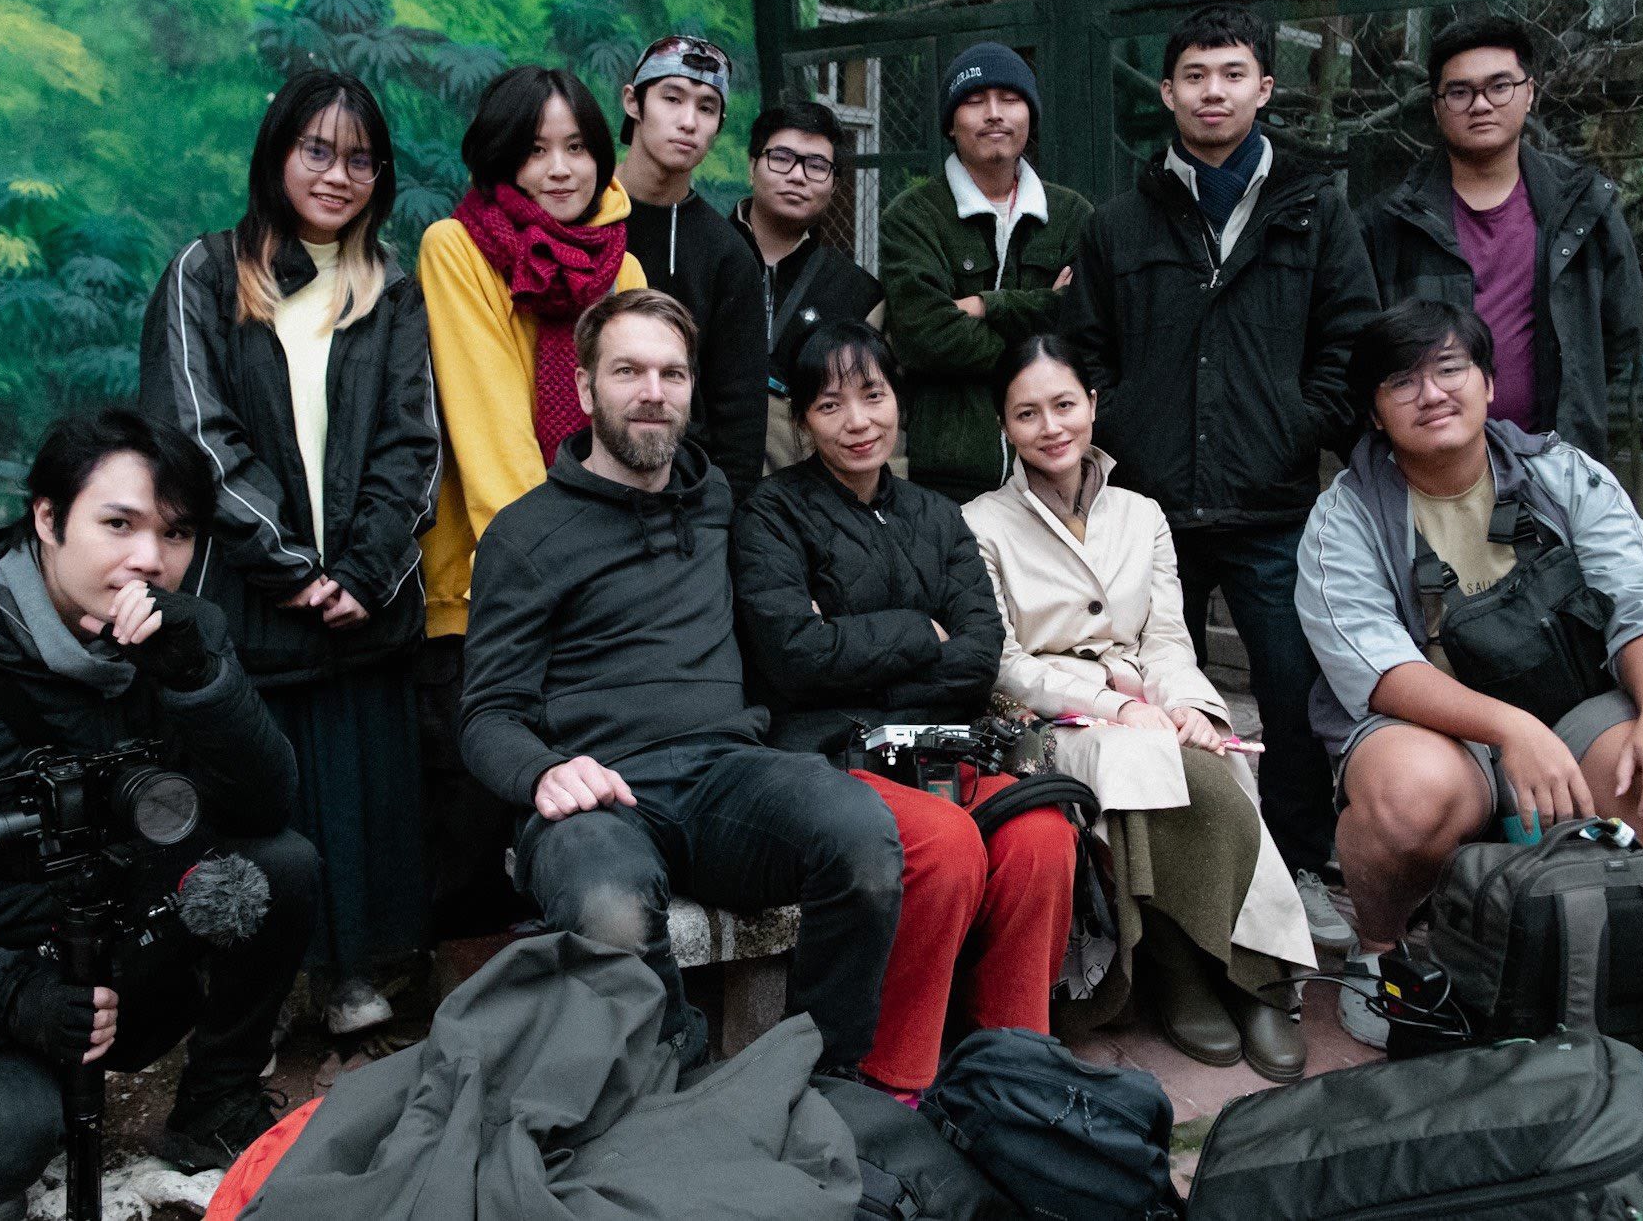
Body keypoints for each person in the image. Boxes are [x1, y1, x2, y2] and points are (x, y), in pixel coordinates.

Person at [0, 410, 319, 1219]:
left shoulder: (173, 641)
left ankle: (215, 1105)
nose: (150, 560)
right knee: (0, 1136)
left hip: (115, 945)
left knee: (281, 867)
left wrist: (201, 681)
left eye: (176, 533)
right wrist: (16, 999)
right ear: (47, 518)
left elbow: (264, 807)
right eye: (118, 524)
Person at [1295, 300, 1643, 1071]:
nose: (1431, 393)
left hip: (1577, 712)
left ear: (1489, 383)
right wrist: (1510, 729)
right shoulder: (1347, 514)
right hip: (1440, 732)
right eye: (1401, 382)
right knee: (1407, 795)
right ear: (1376, 413)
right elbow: (1374, 664)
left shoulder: (1562, 474)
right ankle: (1382, 960)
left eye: (1449, 369)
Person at [459, 288, 905, 1072]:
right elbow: (487, 714)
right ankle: (674, 1096)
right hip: (599, 796)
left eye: (672, 373)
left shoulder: (716, 502)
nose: (653, 392)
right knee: (610, 906)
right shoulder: (524, 536)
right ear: (585, 387)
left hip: (724, 776)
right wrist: (544, 773)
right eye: (627, 371)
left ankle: (820, 1076)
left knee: (860, 835)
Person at [1066, 3, 1380, 951]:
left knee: (1293, 691)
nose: (1214, 92)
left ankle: (1296, 862)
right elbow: (1087, 351)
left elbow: (1351, 340)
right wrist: (1124, 428)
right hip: (1150, 507)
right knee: (1155, 695)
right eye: (1195, 75)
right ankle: (1174, 885)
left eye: (1233, 73)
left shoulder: (1315, 211)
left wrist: (1299, 426)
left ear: (1264, 88)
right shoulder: (1119, 224)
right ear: (1167, 92)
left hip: (1272, 504)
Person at [139, 70, 437, 1038]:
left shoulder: (391, 291)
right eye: (317, 150)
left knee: (355, 797)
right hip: (249, 600)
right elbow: (194, 435)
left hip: (359, 605)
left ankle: (349, 973)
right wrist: (291, 566)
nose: (337, 174)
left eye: (361, 159)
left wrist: (361, 572)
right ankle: (253, 1002)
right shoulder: (205, 272)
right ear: (276, 153)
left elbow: (413, 446)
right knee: (257, 802)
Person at [731, 321, 1075, 1097]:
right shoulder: (771, 517)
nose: (857, 422)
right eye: (830, 405)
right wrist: (920, 631)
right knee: (943, 844)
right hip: (829, 754)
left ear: (899, 401)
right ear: (802, 421)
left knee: (1042, 835)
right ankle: (893, 1081)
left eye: (873, 396)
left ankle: (1016, 1070)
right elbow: (793, 657)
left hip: (945, 744)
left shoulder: (938, 516)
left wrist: (850, 644)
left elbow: (979, 654)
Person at [963, 336, 1315, 1082]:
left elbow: (1166, 637)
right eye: (1027, 413)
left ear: (1093, 405)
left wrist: (1187, 705)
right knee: (1136, 761)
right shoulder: (980, 521)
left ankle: (1248, 975)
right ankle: (1187, 968)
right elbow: (1004, 662)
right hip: (1043, 719)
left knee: (1214, 757)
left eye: (1065, 404)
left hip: (1146, 696)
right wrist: (1110, 707)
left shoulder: (1141, 513)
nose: (1051, 427)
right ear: (1004, 425)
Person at [414, 65, 644, 941]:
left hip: (600, 599)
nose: (559, 169)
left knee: (583, 830)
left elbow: (632, 431)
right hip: (486, 590)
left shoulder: (624, 265)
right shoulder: (456, 248)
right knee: (477, 847)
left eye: (577, 147)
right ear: (500, 157)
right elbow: (490, 442)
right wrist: (571, 575)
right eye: (535, 149)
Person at [1359, 16, 1643, 459]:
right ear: (1436, 107)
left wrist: (1570, 392)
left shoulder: (1584, 208)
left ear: (1529, 93)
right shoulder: (1390, 222)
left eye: (1499, 86)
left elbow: (1619, 336)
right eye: (1459, 92)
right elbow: (1363, 356)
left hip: (1554, 464)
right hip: (1427, 468)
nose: (1480, 105)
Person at [881, 42, 1091, 503]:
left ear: (1030, 116)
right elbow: (924, 334)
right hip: (946, 475)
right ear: (950, 124)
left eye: (1010, 99)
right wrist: (1042, 320)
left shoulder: (1072, 214)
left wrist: (984, 305)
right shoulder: (913, 216)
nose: (994, 114)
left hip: (1054, 469)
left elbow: (1082, 325)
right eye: (975, 101)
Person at [618, 35, 765, 501]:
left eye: (706, 107)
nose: (688, 122)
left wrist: (722, 518)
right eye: (672, 98)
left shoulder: (728, 254)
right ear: (633, 102)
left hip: (680, 494)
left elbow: (740, 416)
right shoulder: (578, 216)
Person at [729, 100, 887, 473]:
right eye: (781, 158)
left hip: (807, 491)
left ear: (834, 185)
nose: (798, 176)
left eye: (816, 166)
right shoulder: (702, 254)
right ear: (752, 166)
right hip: (699, 483)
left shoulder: (858, 294)